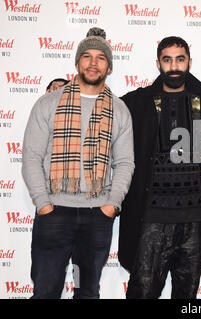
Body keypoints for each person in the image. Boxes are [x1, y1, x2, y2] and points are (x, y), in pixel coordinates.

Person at [22, 27, 134, 299]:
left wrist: (111, 205)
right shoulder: (48, 103)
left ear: (109, 66)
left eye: (100, 57)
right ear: (77, 62)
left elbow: (125, 162)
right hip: (54, 215)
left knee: (86, 291)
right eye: (86, 56)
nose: (93, 63)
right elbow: (32, 157)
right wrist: (43, 204)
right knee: (46, 290)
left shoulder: (119, 109)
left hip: (97, 217)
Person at [118, 36, 201, 299]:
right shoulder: (136, 103)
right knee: (142, 292)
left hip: (195, 218)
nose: (174, 66)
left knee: (188, 297)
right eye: (167, 59)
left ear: (189, 62)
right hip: (150, 217)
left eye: (180, 59)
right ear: (159, 63)